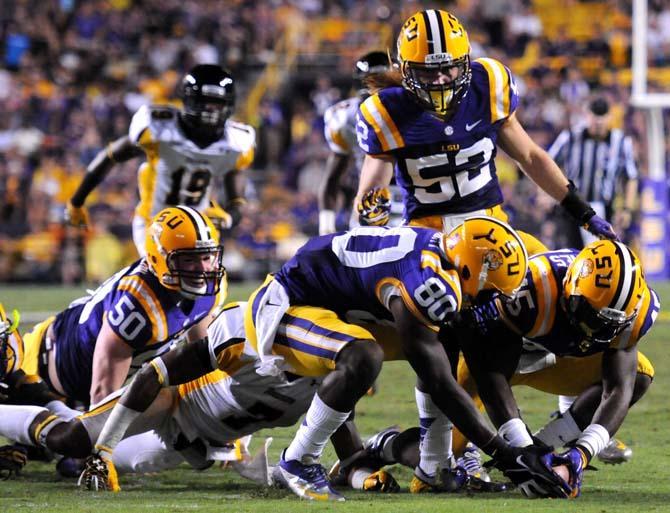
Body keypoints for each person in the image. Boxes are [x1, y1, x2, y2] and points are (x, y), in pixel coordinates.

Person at [247, 217, 571, 501]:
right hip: (290, 303)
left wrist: (517, 449)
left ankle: (435, 468)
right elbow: (440, 382)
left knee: (446, 340)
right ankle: (298, 461)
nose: (493, 302)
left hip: (340, 306)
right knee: (365, 357)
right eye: (493, 292)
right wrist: (506, 455)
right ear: (474, 269)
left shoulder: (446, 260)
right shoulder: (433, 282)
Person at [370, 240, 659, 497]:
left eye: (605, 325)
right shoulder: (531, 289)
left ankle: (548, 446)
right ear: (570, 284)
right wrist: (520, 449)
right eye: (589, 315)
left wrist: (580, 455)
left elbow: (618, 389)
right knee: (436, 463)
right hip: (491, 358)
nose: (592, 329)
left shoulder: (636, 313)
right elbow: (491, 376)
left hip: (550, 358)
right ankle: (386, 445)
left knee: (640, 374)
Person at [0, 302, 364, 491]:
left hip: (190, 447)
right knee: (74, 440)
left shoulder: (331, 376)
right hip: (167, 403)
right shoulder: (247, 337)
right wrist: (104, 450)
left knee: (117, 456)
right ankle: (41, 404)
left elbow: (348, 449)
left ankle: (44, 428)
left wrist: (365, 473)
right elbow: (156, 376)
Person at [354, 9, 616, 249]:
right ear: (406, 70)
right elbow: (370, 195)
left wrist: (583, 212)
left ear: (465, 63)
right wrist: (371, 211)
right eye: (427, 73)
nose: (440, 80)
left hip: (491, 228)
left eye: (448, 69)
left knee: (553, 275)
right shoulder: (386, 111)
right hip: (428, 239)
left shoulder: (488, 84)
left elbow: (531, 157)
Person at [13, 206, 226, 407]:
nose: (202, 269)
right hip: (38, 370)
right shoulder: (139, 306)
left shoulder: (210, 287)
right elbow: (101, 396)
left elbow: (201, 357)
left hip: (79, 381)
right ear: (157, 259)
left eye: (206, 257)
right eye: (189, 260)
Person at [65, 64, 255, 256]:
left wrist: (230, 216)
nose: (211, 110)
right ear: (189, 100)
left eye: (217, 104)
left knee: (211, 284)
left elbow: (236, 186)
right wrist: (77, 201)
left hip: (199, 225)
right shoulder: (159, 129)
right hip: (154, 223)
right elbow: (111, 155)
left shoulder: (235, 143)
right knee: (165, 280)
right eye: (205, 102)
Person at [319, 51, 402, 235]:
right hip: (370, 202)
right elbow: (333, 178)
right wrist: (326, 226)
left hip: (415, 202)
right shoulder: (345, 119)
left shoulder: (417, 110)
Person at [548, 96, 638, 248]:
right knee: (571, 254)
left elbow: (631, 177)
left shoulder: (621, 141)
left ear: (609, 117)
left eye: (602, 117)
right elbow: (549, 162)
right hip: (572, 206)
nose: (598, 122)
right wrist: (548, 193)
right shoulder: (570, 136)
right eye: (595, 116)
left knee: (602, 255)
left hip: (606, 207)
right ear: (587, 115)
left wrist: (627, 209)